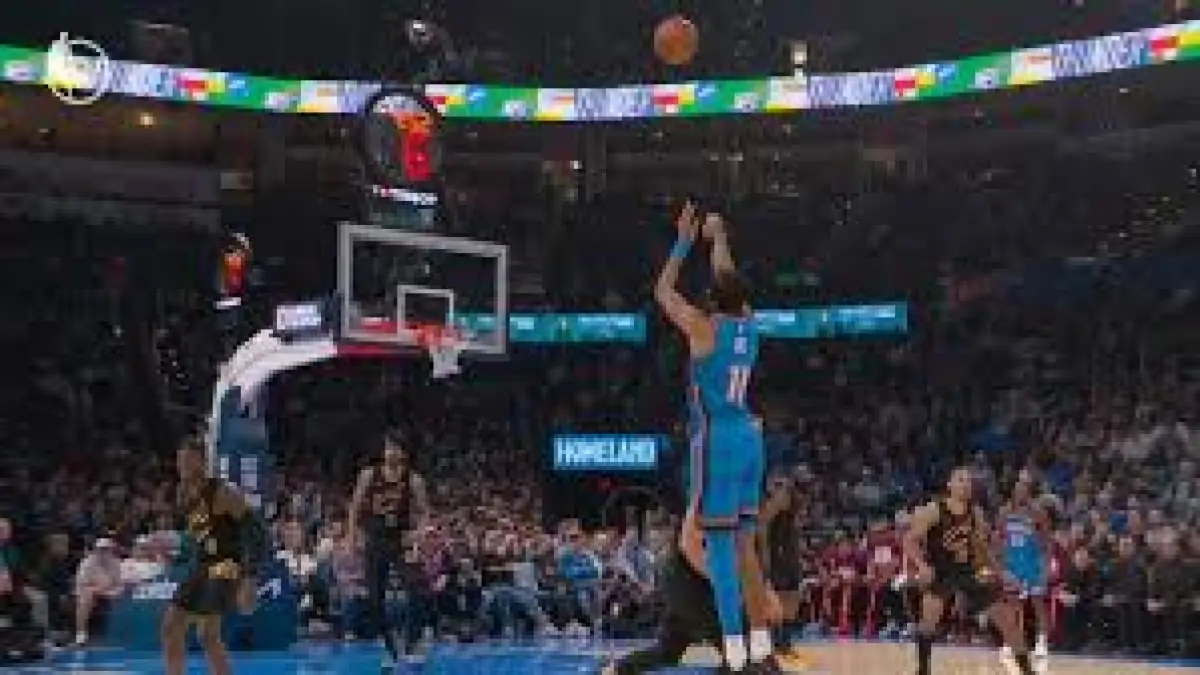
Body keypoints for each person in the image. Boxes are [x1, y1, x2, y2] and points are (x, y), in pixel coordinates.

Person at [653, 201, 775, 673]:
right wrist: (719, 237)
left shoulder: (704, 329)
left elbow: (663, 292)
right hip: (751, 437)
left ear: (711, 298)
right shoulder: (750, 324)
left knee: (720, 548)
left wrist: (684, 243)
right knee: (745, 543)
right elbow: (728, 278)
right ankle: (761, 643)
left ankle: (736, 648)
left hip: (718, 438)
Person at [904, 466, 1035, 675]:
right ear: (949, 484)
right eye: (960, 480)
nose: (965, 485)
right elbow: (909, 540)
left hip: (969, 570)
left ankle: (1028, 671)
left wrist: (1001, 573)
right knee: (928, 622)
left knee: (1007, 620)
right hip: (941, 571)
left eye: (968, 481)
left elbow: (983, 548)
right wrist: (922, 565)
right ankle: (923, 670)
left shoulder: (976, 513)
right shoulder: (933, 510)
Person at [162, 439, 266, 675]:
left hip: (226, 564)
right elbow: (201, 533)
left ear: (202, 461)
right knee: (171, 627)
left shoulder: (221, 492)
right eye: (179, 460)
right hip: (201, 563)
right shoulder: (182, 493)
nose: (182, 465)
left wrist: (250, 578)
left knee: (207, 634)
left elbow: (257, 533)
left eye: (188, 460)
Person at [348, 431, 430, 672]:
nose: (391, 452)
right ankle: (390, 649)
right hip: (375, 541)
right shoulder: (368, 475)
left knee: (417, 589)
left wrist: (418, 536)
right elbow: (354, 508)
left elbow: (425, 513)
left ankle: (413, 644)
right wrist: (351, 538)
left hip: (401, 541)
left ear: (404, 452)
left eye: (396, 448)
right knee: (374, 600)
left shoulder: (414, 480)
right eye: (387, 447)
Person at [998, 477, 1051, 672]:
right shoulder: (1004, 512)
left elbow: (1047, 543)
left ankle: (1041, 643)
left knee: (1038, 604)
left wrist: (1045, 569)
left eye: (1024, 489)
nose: (1020, 492)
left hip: (1032, 563)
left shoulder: (1038, 513)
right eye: (1017, 488)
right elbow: (1000, 539)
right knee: (1013, 606)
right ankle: (1011, 643)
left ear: (1029, 492)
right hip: (1013, 564)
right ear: (1013, 491)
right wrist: (1002, 565)